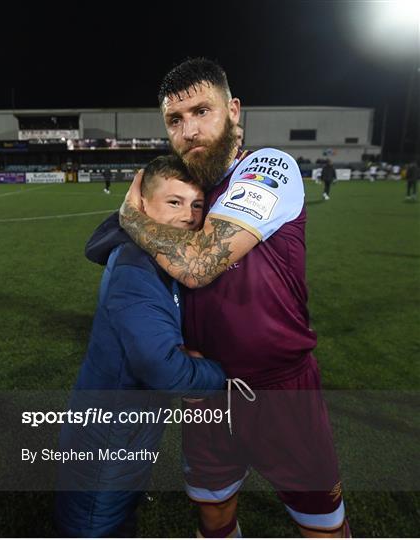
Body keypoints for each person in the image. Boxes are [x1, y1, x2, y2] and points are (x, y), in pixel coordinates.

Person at [87, 58, 350, 538]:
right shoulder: (188, 194)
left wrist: (132, 213)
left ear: (232, 110)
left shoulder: (268, 167)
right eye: (175, 119)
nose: (188, 130)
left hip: (279, 391)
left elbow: (199, 264)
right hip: (205, 390)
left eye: (201, 111)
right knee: (214, 514)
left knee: (322, 527)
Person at [55, 155, 226, 538]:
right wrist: (222, 375)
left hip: (127, 431)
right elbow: (162, 367)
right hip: (107, 439)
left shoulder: (160, 257)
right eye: (175, 202)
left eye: (197, 205)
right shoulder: (136, 265)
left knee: (116, 518)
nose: (188, 216)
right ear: (143, 204)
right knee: (93, 524)